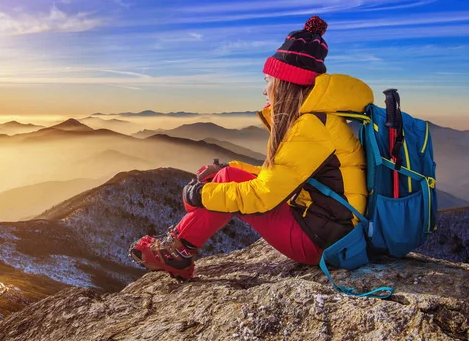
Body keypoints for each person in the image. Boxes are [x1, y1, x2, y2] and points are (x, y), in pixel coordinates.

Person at [130, 15, 374, 280]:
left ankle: (176, 253)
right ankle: (178, 249)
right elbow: (281, 176)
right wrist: (228, 169)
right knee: (226, 178)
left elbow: (263, 196)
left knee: (227, 192)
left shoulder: (310, 128)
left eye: (268, 80)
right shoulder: (316, 119)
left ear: (284, 83)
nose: (264, 91)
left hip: (321, 241)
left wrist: (200, 195)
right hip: (323, 226)